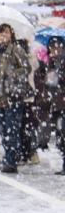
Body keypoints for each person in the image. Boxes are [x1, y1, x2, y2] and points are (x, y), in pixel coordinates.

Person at [0, 23, 32, 173]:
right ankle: (8, 158)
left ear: (11, 35)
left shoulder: (16, 50)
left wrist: (12, 73)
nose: (2, 36)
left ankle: (11, 161)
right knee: (4, 130)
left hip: (13, 96)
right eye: (0, 33)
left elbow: (26, 68)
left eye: (5, 33)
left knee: (12, 130)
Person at [45, 36, 65, 175]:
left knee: (63, 133)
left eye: (57, 47)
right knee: (60, 136)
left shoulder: (61, 62)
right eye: (52, 47)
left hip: (62, 103)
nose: (54, 50)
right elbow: (50, 83)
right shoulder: (52, 62)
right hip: (57, 104)